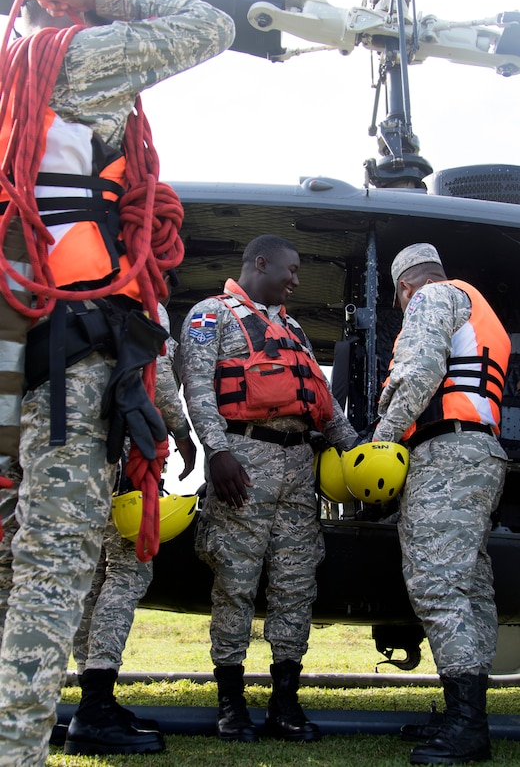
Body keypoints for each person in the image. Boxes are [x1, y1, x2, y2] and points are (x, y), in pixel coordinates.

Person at [0, 0, 234, 766]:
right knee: (53, 570)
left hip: (16, 349)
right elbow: (212, 26)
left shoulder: (12, 81)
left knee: (11, 567)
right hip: (62, 363)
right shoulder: (70, 62)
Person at [181, 234, 358, 743]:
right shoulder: (209, 315)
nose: (297, 281)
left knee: (296, 585)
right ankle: (231, 704)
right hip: (244, 463)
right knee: (234, 584)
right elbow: (196, 387)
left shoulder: (294, 329)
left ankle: (285, 703)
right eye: (292, 270)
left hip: (299, 469)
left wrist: (359, 450)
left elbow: (325, 405)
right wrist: (216, 452)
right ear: (261, 263)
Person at [373, 242, 511, 765]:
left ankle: (467, 726)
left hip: (447, 455)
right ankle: (466, 718)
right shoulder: (474, 305)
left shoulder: (431, 300)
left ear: (405, 287)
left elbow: (416, 373)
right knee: (470, 587)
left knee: (435, 583)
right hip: (479, 453)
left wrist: (381, 444)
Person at [64, 302, 197, 756]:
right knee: (127, 570)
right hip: (121, 451)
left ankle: (91, 701)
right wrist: (181, 430)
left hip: (73, 451)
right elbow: (155, 374)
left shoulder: (76, 292)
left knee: (95, 576)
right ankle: (96, 706)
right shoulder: (140, 298)